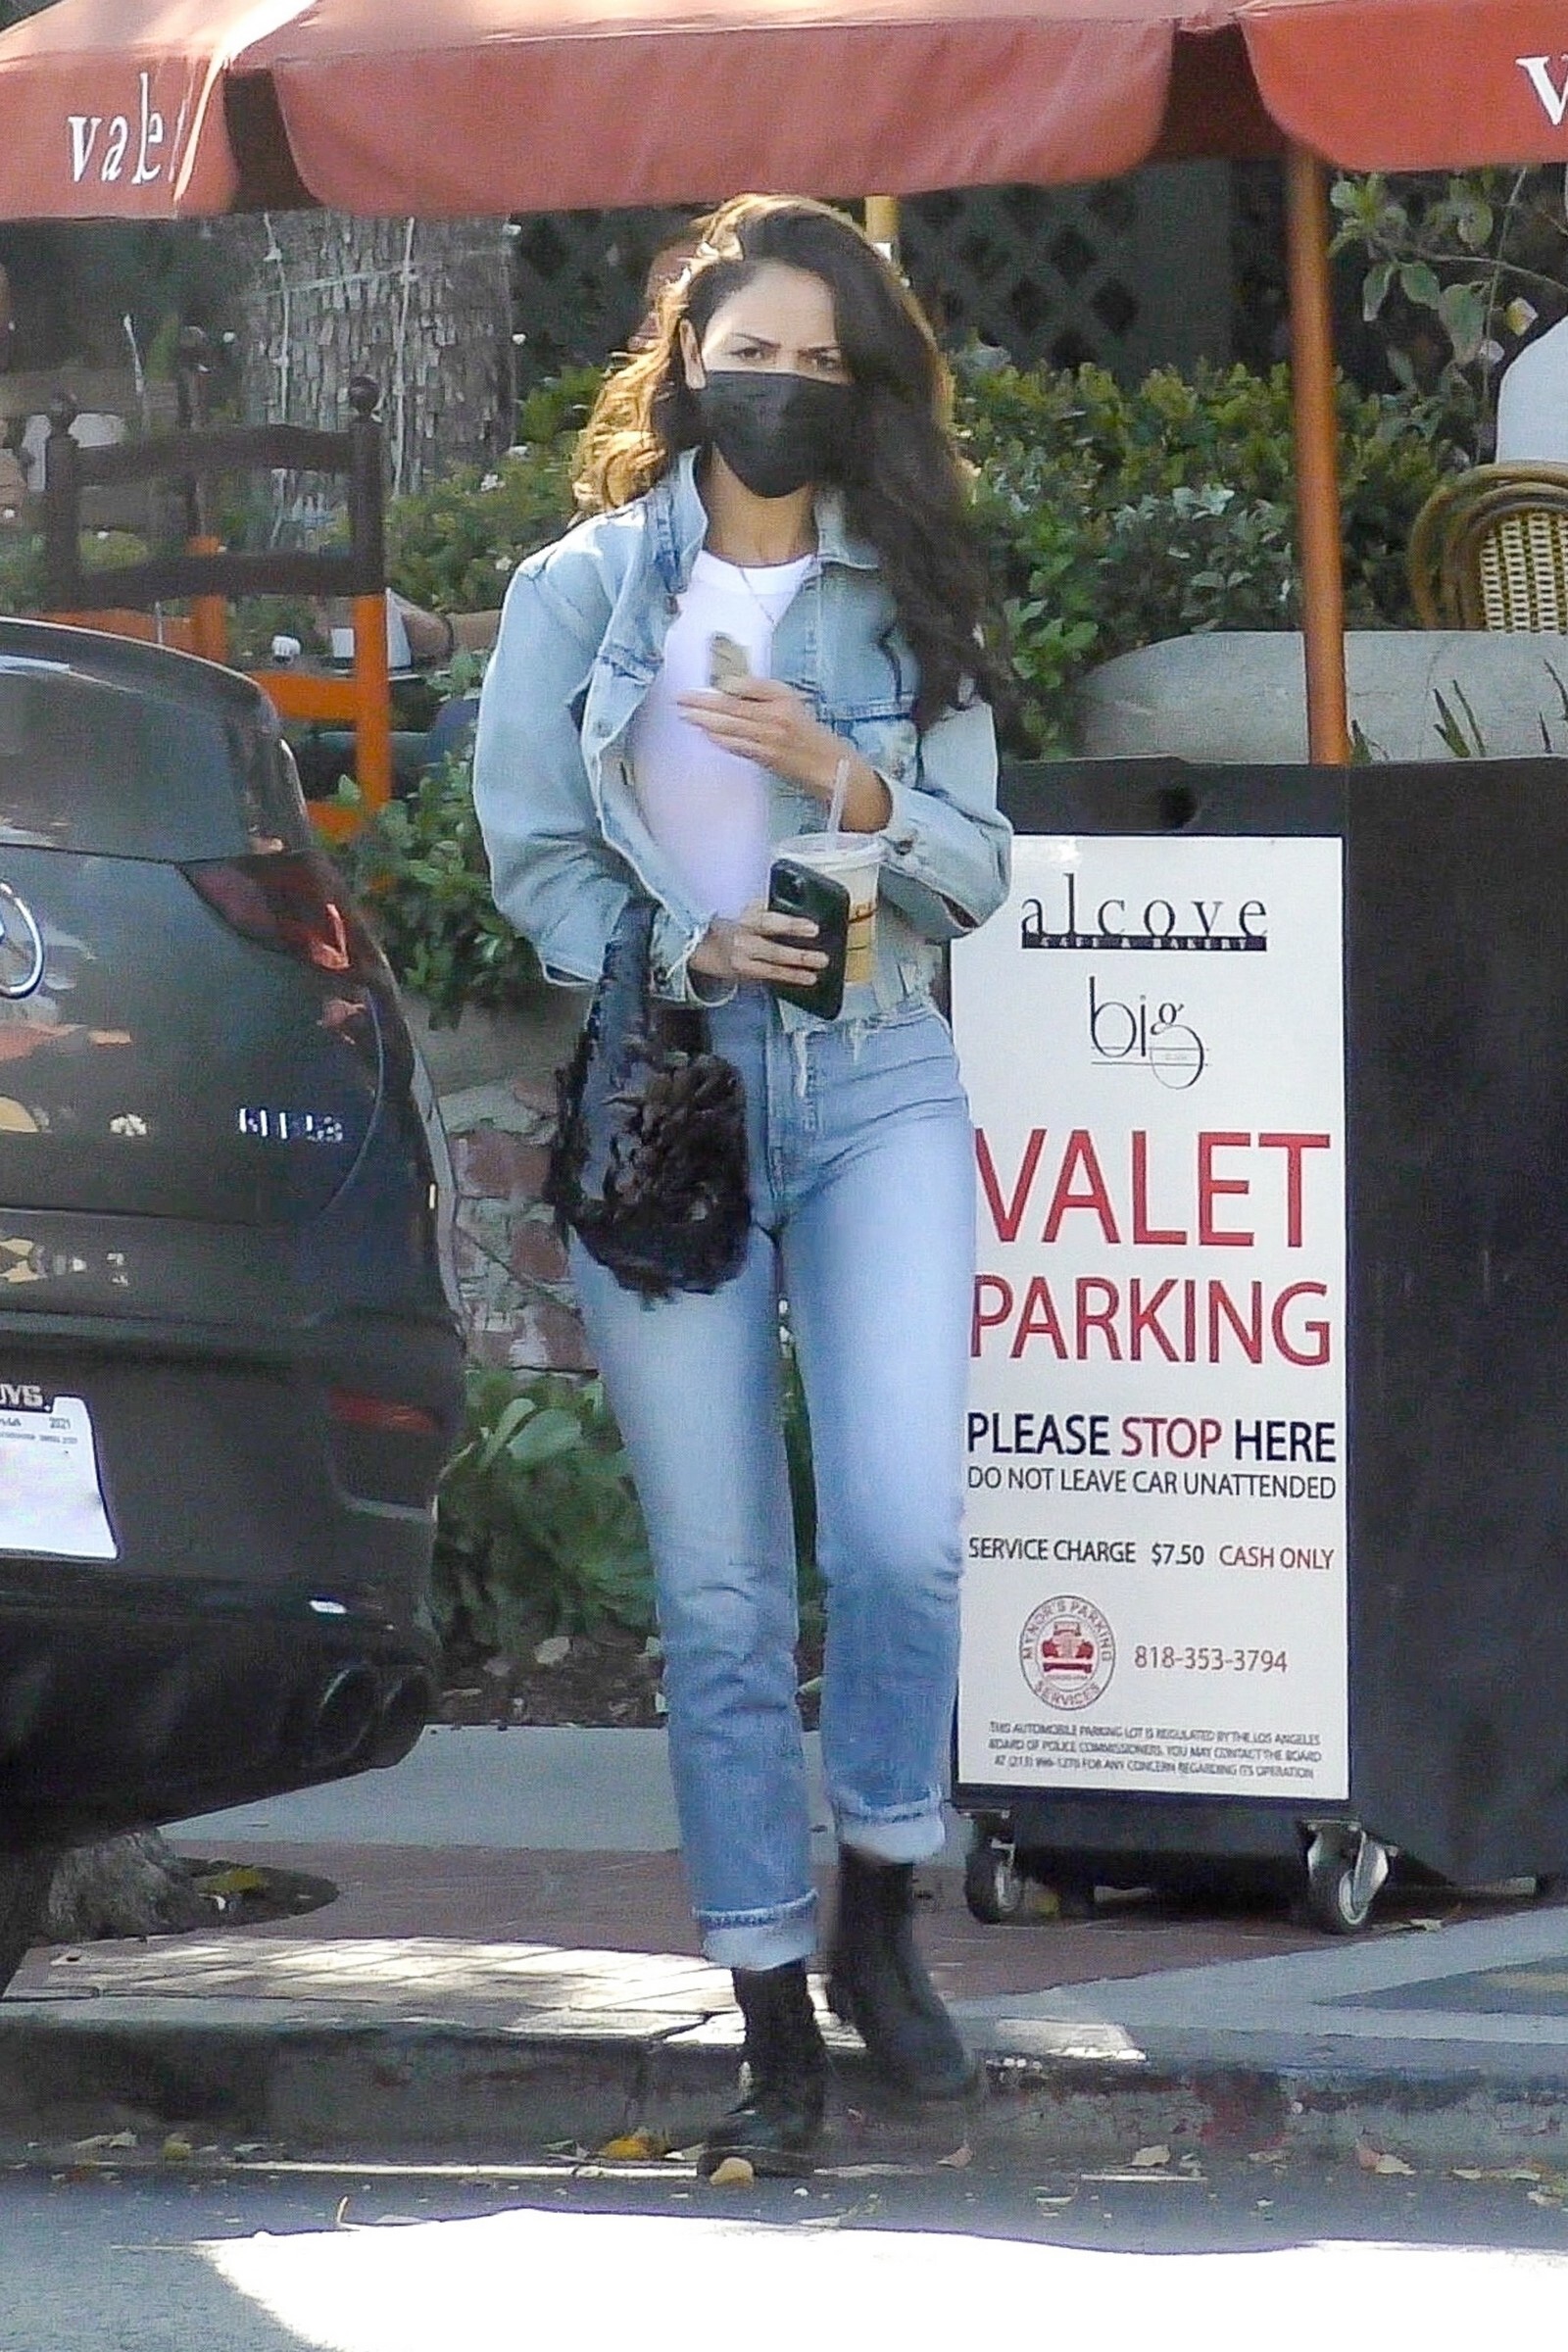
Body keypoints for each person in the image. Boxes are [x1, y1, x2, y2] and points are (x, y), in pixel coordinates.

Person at [473, 194, 1011, 2178]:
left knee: (903, 1539)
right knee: (716, 1596)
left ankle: (882, 1903)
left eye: (815, 362)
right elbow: (532, 854)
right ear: (686, 364)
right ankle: (770, 2012)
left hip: (876, 1081)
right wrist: (676, 942)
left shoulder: (904, 587)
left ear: (861, 387)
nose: (777, 388)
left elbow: (978, 865)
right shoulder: (581, 592)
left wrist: (838, 771)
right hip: (672, 1097)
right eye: (747, 354)